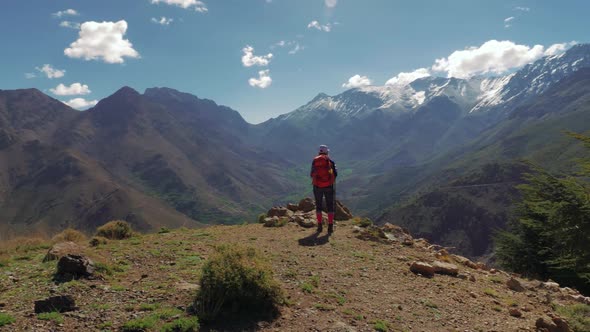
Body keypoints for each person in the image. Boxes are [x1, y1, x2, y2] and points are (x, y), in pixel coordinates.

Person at [310, 144, 337, 234]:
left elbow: (312, 174)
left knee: (318, 205)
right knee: (330, 205)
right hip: (329, 186)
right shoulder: (330, 162)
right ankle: (330, 226)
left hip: (317, 186)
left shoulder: (315, 161)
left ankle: (319, 226)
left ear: (319, 152)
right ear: (327, 152)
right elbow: (335, 174)